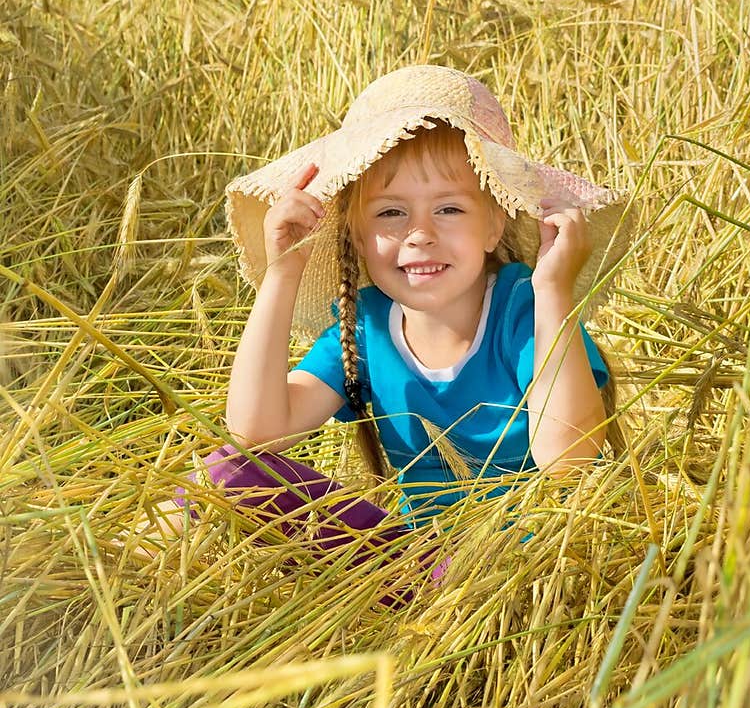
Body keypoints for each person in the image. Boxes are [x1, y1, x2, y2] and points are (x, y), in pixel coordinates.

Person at [171, 64, 634, 602]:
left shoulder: (525, 313)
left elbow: (569, 461)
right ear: (357, 236)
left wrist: (555, 292)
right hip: (409, 570)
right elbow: (256, 436)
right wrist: (282, 273)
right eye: (391, 212)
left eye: (449, 208)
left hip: (528, 577)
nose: (420, 235)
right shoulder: (365, 328)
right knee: (221, 475)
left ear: (495, 223)